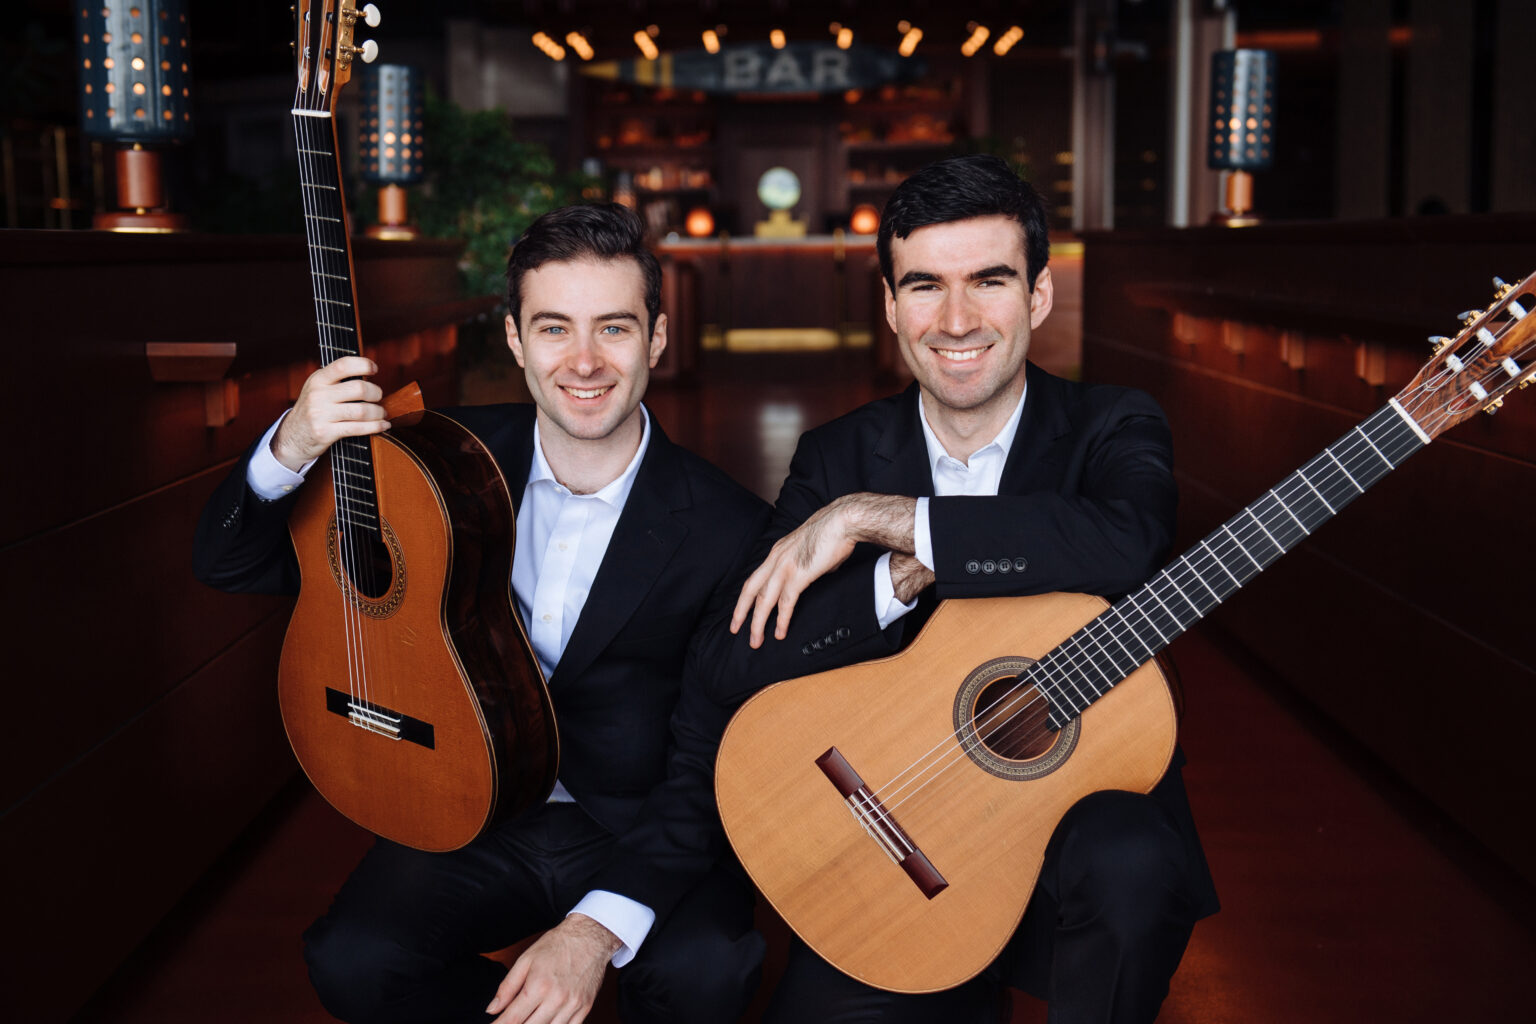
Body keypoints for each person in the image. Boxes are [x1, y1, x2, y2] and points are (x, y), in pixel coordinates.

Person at [193, 203, 768, 1024]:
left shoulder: (731, 527)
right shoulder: (437, 460)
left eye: (613, 328)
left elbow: (712, 759)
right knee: (351, 959)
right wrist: (291, 445)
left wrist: (593, 928)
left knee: (710, 971)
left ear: (658, 337)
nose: (583, 361)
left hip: (640, 821)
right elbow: (230, 562)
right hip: (478, 804)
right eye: (553, 328)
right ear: (512, 339)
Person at [717, 155, 1219, 1023]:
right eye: (924, 286)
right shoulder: (836, 454)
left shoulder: (1112, 425)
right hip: (896, 854)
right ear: (889, 305)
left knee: (1136, 857)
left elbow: (1128, 546)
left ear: (1038, 296)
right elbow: (749, 653)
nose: (955, 319)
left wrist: (895, 524)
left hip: (1071, 869)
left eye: (989, 281)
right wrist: (893, 581)